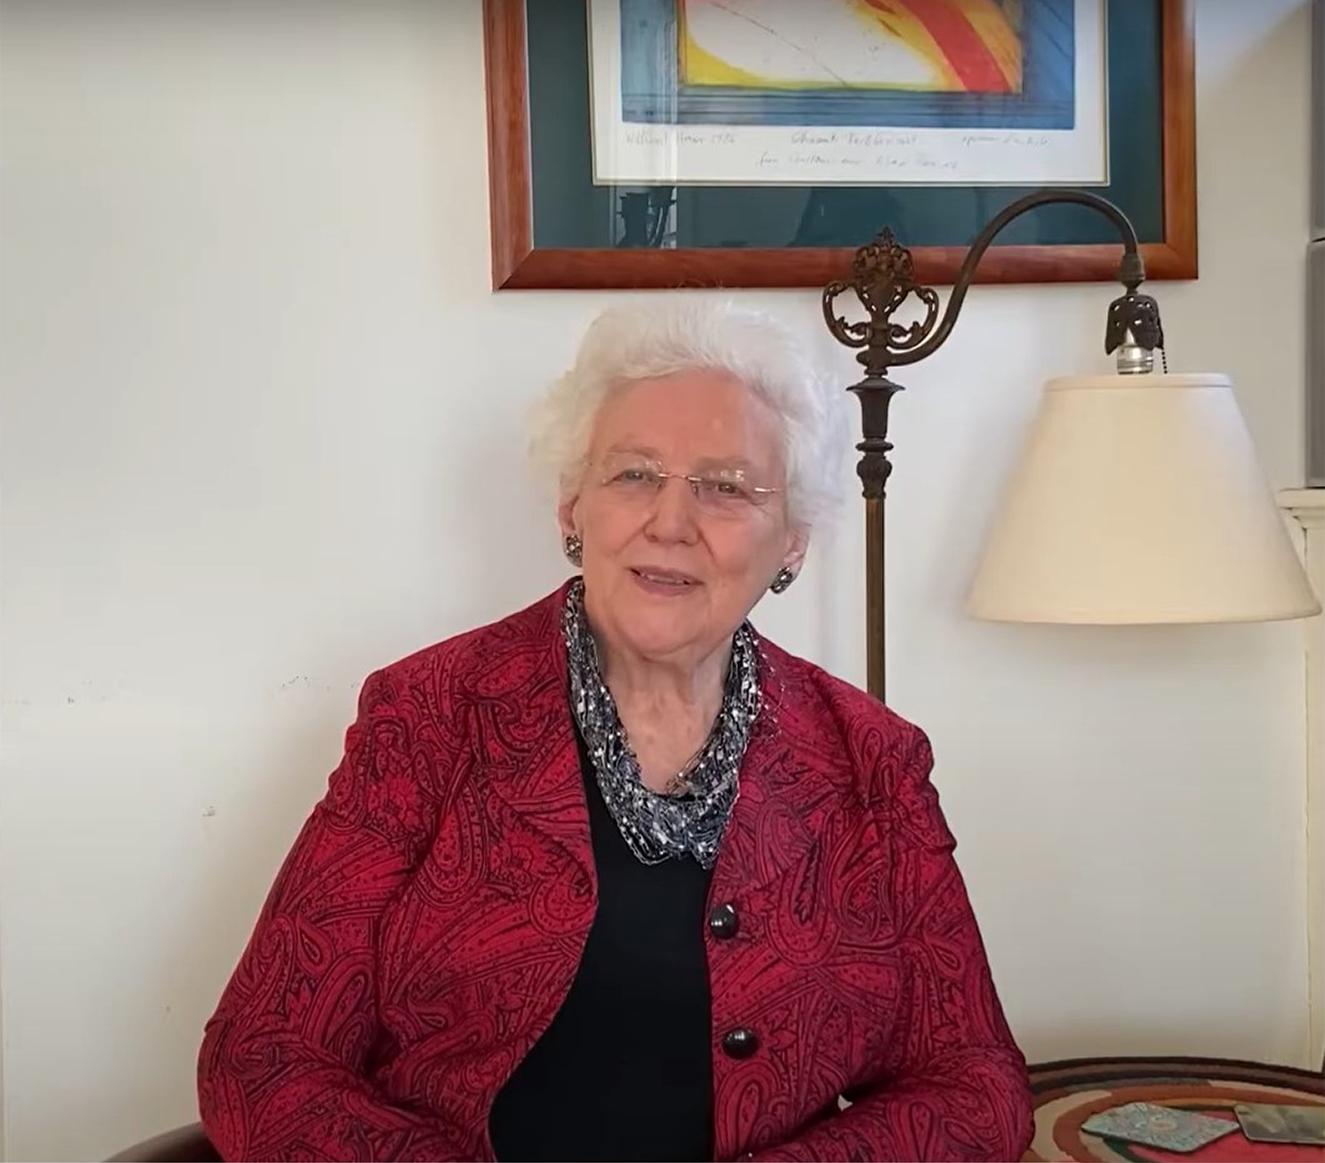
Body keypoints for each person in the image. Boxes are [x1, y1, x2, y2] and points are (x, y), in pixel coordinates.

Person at [197, 302, 1034, 1162]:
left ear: (792, 543)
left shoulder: (872, 760)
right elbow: (262, 1058)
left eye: (725, 486)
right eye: (633, 474)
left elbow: (973, 1085)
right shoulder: (431, 716)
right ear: (573, 508)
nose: (669, 521)